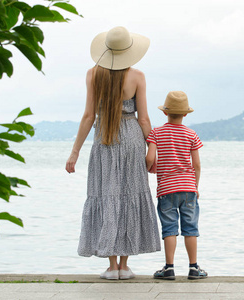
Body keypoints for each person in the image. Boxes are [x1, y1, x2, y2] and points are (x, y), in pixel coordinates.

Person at [65, 26, 160, 280]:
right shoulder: (138, 76)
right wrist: (153, 148)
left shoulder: (92, 74)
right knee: (129, 195)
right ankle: (125, 266)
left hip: (104, 139)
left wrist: (74, 152)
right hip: (131, 140)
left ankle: (111, 266)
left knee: (107, 197)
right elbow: (144, 119)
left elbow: (88, 116)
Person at [146, 91, 207, 280]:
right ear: (186, 114)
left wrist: (150, 168)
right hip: (188, 189)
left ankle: (169, 268)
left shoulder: (156, 132)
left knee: (169, 229)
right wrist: (195, 187)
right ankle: (194, 268)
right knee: (190, 229)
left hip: (166, 190)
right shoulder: (191, 134)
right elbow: (196, 164)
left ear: (165, 112)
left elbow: (150, 157)